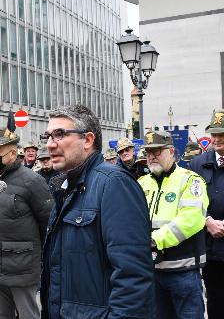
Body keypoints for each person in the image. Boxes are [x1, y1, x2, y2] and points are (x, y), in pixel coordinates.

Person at [40, 105, 154, 319]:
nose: (49, 144)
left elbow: (133, 278)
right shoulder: (66, 188)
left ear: (88, 140)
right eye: (47, 136)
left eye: (59, 134)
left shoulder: (113, 184)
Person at [0, 127, 53, 319]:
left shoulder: (32, 180)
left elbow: (47, 224)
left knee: (28, 315)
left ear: (13, 153)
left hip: (21, 267)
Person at [138, 131, 208, 318]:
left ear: (171, 152)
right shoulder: (142, 183)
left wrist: (154, 240)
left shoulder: (190, 180)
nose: (152, 157)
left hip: (182, 271)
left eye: (157, 151)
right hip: (151, 271)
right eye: (148, 152)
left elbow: (191, 220)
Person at [189, 109, 224, 319]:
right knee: (213, 298)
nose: (216, 139)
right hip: (209, 244)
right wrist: (208, 221)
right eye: (214, 134)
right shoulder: (197, 164)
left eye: (222, 134)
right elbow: (190, 200)